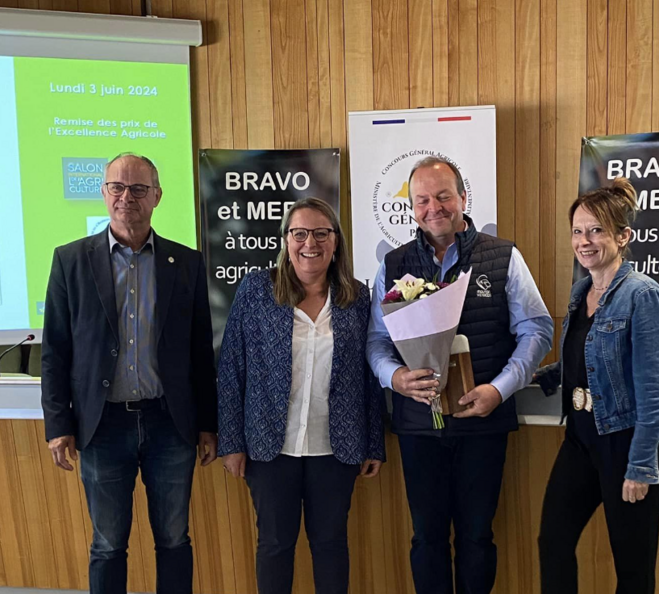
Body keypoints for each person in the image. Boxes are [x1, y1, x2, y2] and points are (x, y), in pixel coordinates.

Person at [367, 156, 553, 594]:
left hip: (482, 424)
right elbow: (377, 339)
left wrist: (500, 389)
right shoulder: (393, 265)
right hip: (418, 426)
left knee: (476, 538)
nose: (434, 207)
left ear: (464, 198)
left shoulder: (503, 255)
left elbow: (537, 328)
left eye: (444, 195)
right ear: (412, 207)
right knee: (426, 539)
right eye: (423, 199)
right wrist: (394, 378)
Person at [41, 153, 218, 594]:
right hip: (102, 426)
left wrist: (208, 425)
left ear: (156, 196)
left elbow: (200, 351)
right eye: (117, 187)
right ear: (103, 193)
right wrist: (58, 424)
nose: (126, 197)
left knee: (174, 539)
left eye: (138, 189)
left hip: (169, 424)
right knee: (107, 544)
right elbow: (55, 350)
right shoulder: (70, 261)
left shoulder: (187, 264)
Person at [218, 197, 385, 594]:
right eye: (300, 233)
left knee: (330, 545)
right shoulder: (257, 290)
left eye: (321, 233)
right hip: (269, 448)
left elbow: (370, 374)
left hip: (336, 447)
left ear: (336, 242)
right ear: (286, 240)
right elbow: (230, 369)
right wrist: (231, 442)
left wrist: (374, 443)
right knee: (275, 545)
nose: (310, 242)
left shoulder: (358, 299)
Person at [535, 177, 659, 594]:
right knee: (553, 542)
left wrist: (642, 465)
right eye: (578, 231)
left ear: (622, 236)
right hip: (580, 439)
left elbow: (654, 391)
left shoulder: (643, 295)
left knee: (632, 566)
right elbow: (593, 353)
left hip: (626, 442)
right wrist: (551, 373)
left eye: (596, 230)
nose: (585, 241)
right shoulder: (582, 290)